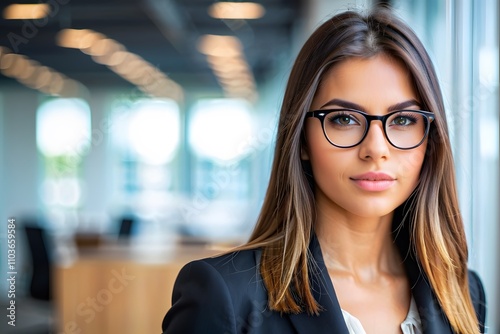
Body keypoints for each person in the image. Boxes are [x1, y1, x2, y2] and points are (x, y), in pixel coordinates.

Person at [161, 8, 486, 334]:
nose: (376, 148)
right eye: (344, 118)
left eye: (403, 120)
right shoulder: (225, 297)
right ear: (302, 138)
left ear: (429, 141)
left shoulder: (462, 293)